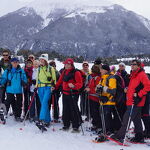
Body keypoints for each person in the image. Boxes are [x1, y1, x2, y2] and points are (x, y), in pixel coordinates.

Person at [111, 60, 150, 143]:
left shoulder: (141, 75)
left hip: (136, 102)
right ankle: (139, 136)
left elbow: (148, 86)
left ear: (138, 66)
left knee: (127, 118)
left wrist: (139, 94)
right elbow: (134, 87)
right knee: (137, 120)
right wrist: (128, 89)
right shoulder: (133, 75)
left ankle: (120, 136)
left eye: (134, 64)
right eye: (131, 64)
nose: (132, 66)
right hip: (131, 101)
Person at [55, 58, 83, 132]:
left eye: (68, 64)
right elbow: (60, 81)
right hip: (65, 93)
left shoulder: (76, 72)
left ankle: (76, 126)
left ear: (71, 64)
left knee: (73, 109)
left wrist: (73, 85)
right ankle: (66, 125)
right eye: (65, 64)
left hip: (73, 93)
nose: (66, 65)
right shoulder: (64, 72)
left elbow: (80, 84)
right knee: (65, 109)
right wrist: (55, 87)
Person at [0, 57, 27, 122]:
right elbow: (4, 78)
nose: (15, 63)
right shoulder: (8, 70)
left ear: (18, 63)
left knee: (19, 103)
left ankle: (17, 115)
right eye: (14, 62)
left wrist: (24, 82)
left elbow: (24, 78)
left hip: (19, 89)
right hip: (10, 89)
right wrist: (1, 83)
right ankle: (4, 114)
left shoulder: (21, 71)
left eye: (16, 62)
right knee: (8, 102)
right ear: (11, 63)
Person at [36, 54, 56, 127]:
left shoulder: (51, 68)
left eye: (43, 59)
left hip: (48, 87)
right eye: (40, 59)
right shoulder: (39, 69)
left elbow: (54, 79)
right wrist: (36, 86)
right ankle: (47, 120)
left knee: (44, 102)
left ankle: (41, 119)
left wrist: (53, 86)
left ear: (46, 60)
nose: (41, 61)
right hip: (40, 88)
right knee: (44, 104)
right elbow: (37, 78)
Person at [96, 64, 117, 135]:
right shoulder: (103, 77)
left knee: (107, 117)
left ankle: (109, 131)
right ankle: (104, 129)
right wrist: (98, 89)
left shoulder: (111, 78)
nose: (100, 70)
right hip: (102, 100)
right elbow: (99, 88)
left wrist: (103, 88)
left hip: (109, 101)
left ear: (105, 70)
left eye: (101, 69)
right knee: (103, 117)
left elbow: (113, 91)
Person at [85, 65, 101, 132]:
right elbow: (89, 85)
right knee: (92, 112)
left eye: (92, 69)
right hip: (91, 97)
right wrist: (87, 87)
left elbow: (98, 89)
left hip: (95, 98)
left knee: (95, 113)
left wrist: (89, 89)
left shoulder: (97, 78)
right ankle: (94, 125)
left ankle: (97, 126)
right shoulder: (92, 77)